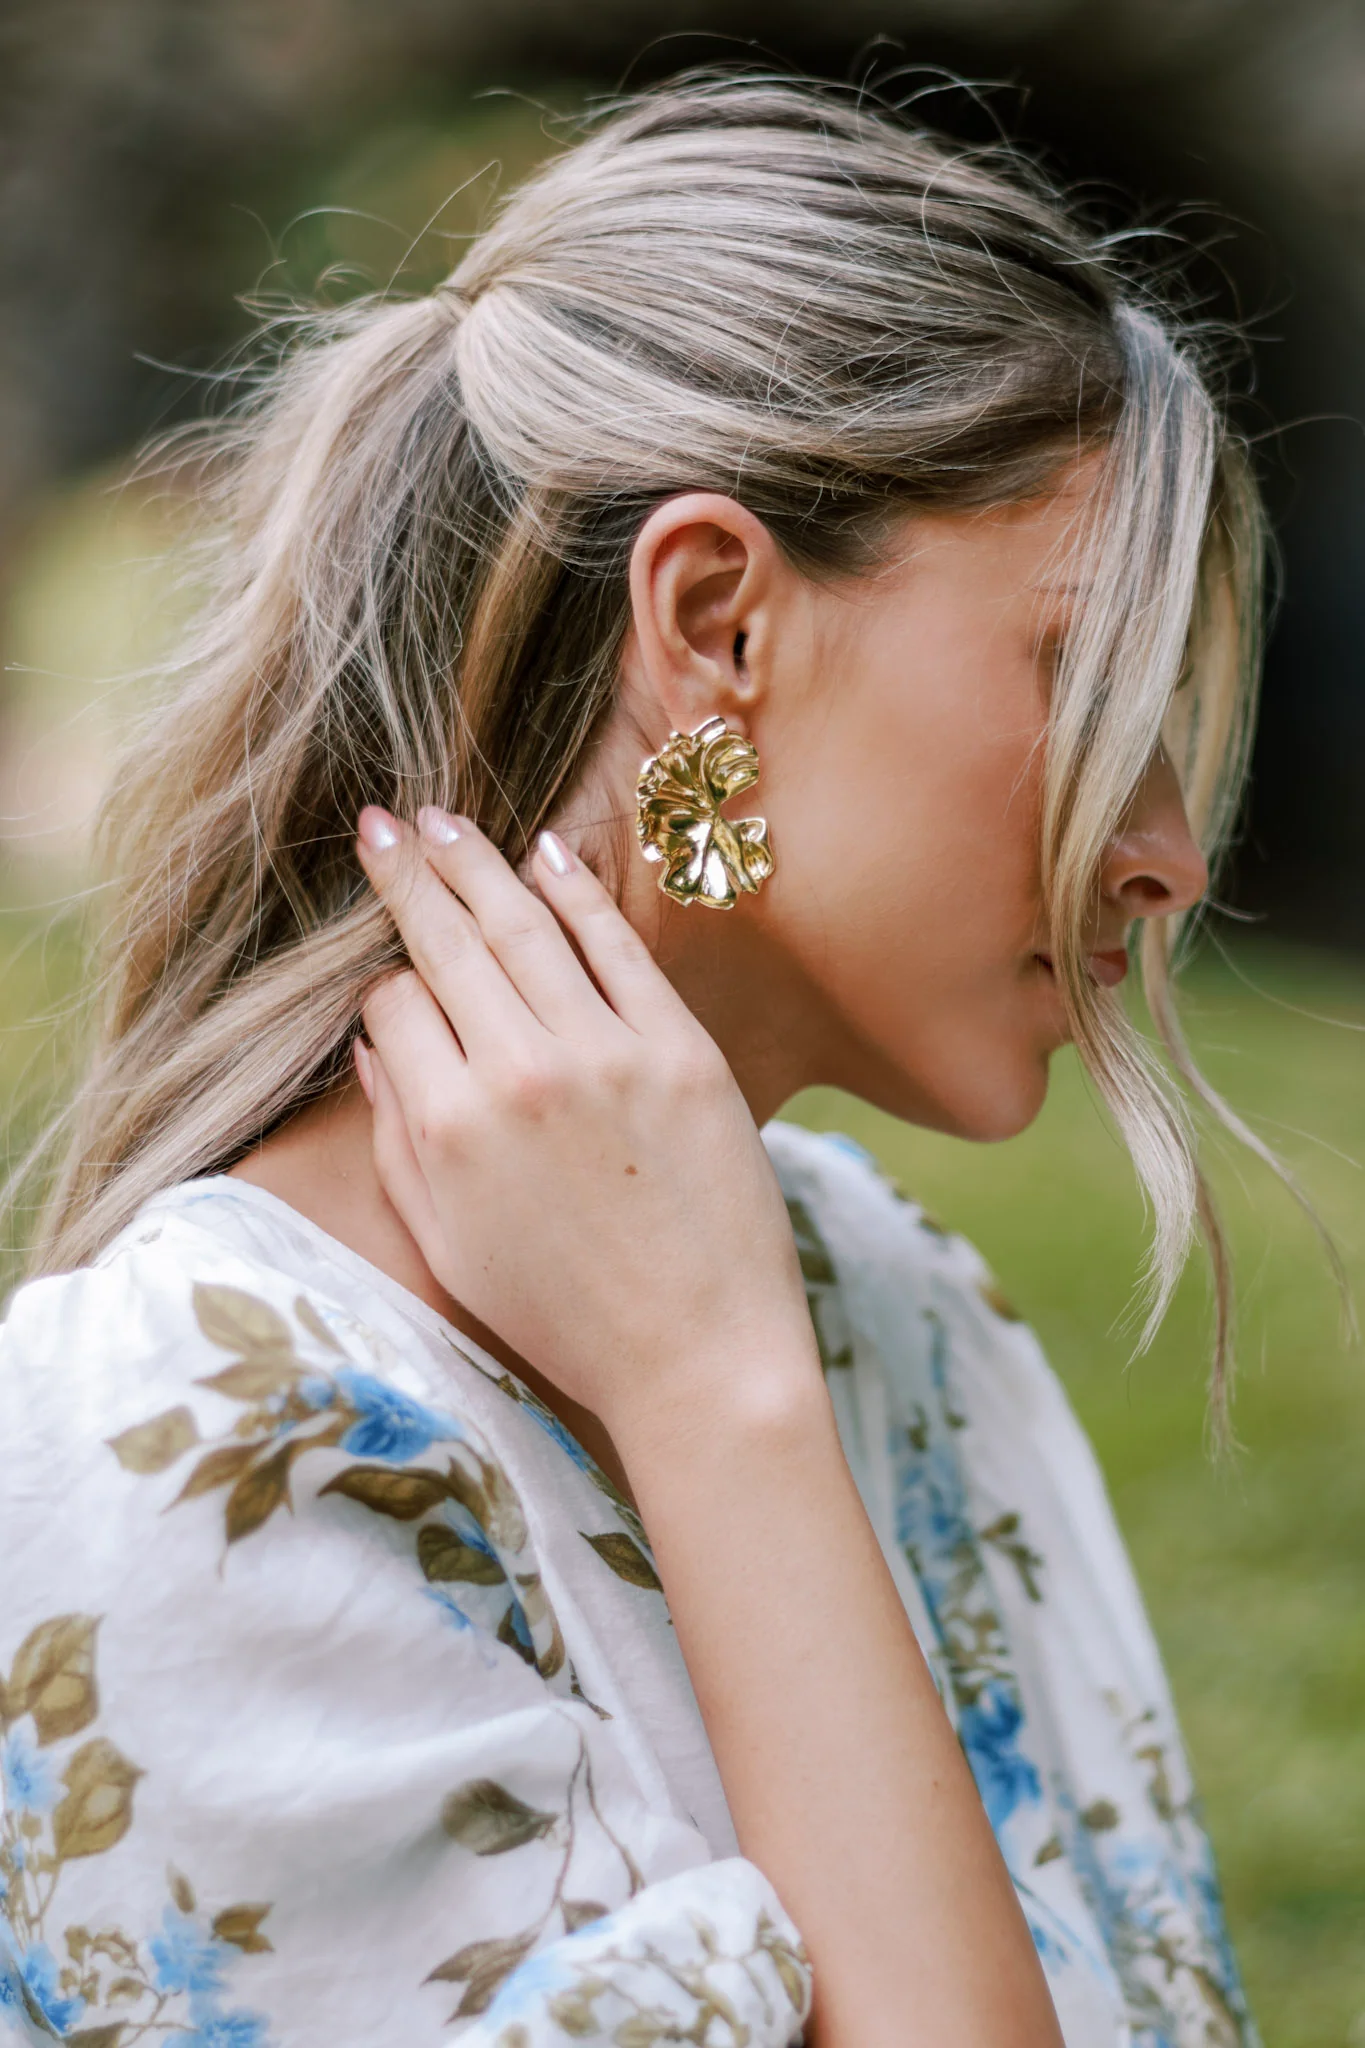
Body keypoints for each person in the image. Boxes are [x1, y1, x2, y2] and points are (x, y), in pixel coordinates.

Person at [0, 74, 1266, 2048]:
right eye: (1078, 673)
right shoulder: (191, 1457)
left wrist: (728, 1368)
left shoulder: (901, 1309)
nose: (1167, 849)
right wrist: (708, 1390)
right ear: (711, 623)